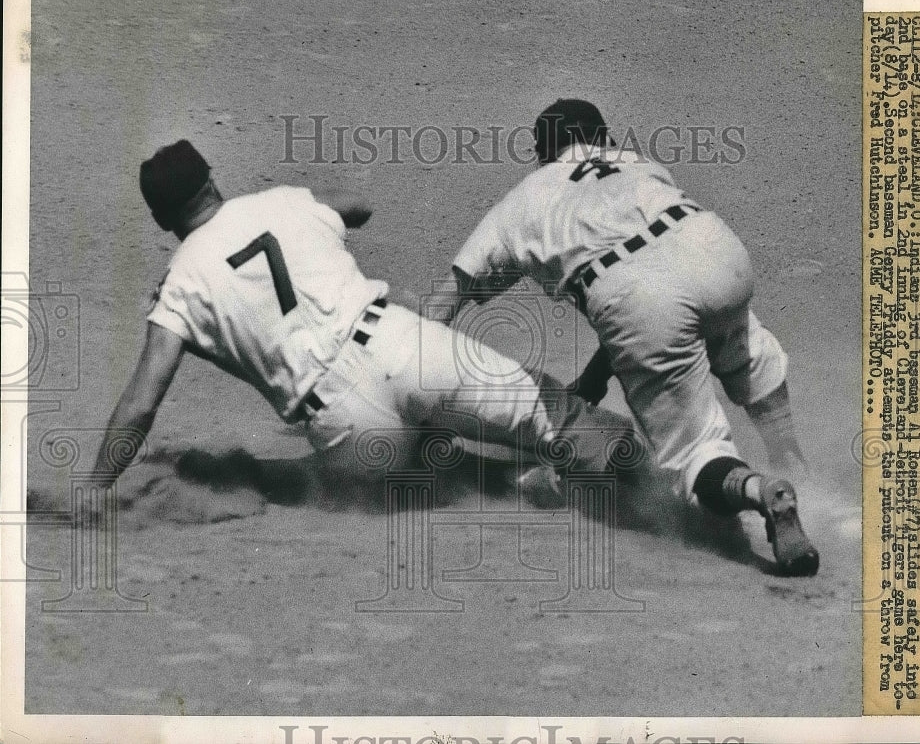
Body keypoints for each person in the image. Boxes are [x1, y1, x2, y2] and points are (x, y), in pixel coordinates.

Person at [90, 139, 634, 501]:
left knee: (435, 469)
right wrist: (297, 205)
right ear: (213, 180)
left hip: (344, 424)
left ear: (163, 219)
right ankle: (665, 491)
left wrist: (95, 490)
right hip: (401, 346)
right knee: (564, 422)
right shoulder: (279, 202)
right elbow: (360, 205)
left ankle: (514, 482)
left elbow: (140, 406)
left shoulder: (180, 283)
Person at [428, 99, 819, 576]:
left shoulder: (521, 201)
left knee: (697, 453)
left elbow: (444, 303)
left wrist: (414, 379)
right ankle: (795, 463)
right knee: (746, 352)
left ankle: (761, 490)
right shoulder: (638, 161)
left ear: (542, 152)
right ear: (602, 139)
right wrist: (592, 382)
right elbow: (660, 280)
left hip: (635, 296)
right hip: (714, 247)